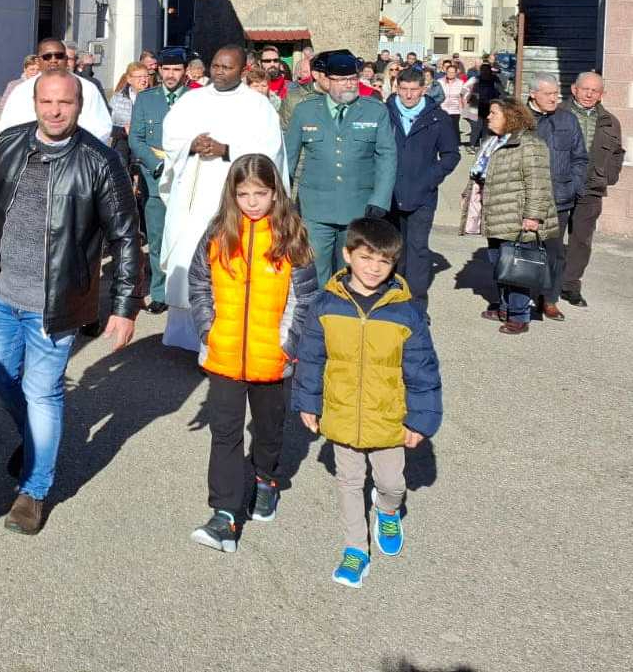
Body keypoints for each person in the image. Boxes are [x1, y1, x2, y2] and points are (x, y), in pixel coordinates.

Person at [0, 70, 143, 535]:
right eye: (47, 102)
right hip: (1, 292)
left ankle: (34, 491)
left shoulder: (101, 162)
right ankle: (37, 437)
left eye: (65, 103)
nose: (55, 111)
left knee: (43, 392)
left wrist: (124, 306)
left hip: (56, 303)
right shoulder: (10, 145)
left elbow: (125, 237)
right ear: (34, 102)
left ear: (79, 105)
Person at [292, 217, 443, 589]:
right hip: (341, 412)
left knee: (392, 483)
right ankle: (355, 550)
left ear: (394, 264)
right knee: (348, 481)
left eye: (384, 262)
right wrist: (308, 402)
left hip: (389, 418)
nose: (374, 268)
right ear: (347, 255)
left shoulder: (406, 312)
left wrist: (420, 421)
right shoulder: (326, 305)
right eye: (366, 258)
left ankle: (388, 511)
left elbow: (423, 369)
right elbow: (311, 358)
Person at [185, 155, 318, 553]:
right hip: (224, 353)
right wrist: (208, 327)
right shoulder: (219, 232)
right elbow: (199, 281)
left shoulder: (291, 237)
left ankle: (266, 480)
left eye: (260, 193)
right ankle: (224, 514)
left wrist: (286, 344)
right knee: (224, 433)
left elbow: (306, 298)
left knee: (267, 430)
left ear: (275, 192)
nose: (252, 202)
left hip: (272, 358)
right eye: (243, 194)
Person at [160, 45, 288, 351]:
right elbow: (171, 136)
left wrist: (226, 149)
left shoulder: (258, 106)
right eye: (215, 65)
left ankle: (224, 342)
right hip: (192, 197)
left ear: (243, 70)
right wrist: (192, 144)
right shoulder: (192, 99)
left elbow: (268, 150)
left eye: (226, 67)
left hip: (234, 199)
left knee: (227, 267)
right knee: (189, 257)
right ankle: (189, 339)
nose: (218, 71)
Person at [286, 51, 397, 285]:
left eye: (353, 78)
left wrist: (380, 199)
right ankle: (316, 318)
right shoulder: (305, 111)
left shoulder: (375, 110)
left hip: (358, 206)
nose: (349, 84)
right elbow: (289, 157)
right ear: (327, 81)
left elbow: (387, 156)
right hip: (315, 208)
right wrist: (283, 200)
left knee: (352, 272)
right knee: (314, 270)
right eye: (342, 79)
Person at [471, 99, 560, 334]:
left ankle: (519, 316)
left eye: (494, 113)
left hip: (518, 217)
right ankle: (505, 307)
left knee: (518, 266)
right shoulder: (493, 143)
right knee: (500, 264)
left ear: (510, 116)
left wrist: (533, 216)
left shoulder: (529, 144)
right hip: (497, 214)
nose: (488, 117)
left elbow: (538, 184)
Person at [386, 67, 461, 311]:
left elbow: (451, 155)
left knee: (417, 250)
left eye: (414, 90)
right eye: (404, 89)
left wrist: (431, 178)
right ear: (396, 88)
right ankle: (389, 297)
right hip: (389, 193)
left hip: (423, 194)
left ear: (423, 89)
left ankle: (415, 305)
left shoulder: (438, 117)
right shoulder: (384, 113)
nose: (408, 96)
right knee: (392, 248)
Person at [128, 48, 190, 313]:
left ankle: (188, 289)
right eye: (166, 69)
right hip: (155, 181)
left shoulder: (195, 99)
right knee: (157, 238)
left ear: (185, 71)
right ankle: (160, 292)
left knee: (187, 238)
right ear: (159, 70)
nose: (171, 75)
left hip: (188, 181)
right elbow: (136, 139)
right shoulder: (146, 99)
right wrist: (158, 164)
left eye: (176, 69)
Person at [560, 72, 626, 306]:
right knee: (552, 236)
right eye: (585, 89)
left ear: (602, 94)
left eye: (595, 91)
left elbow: (617, 152)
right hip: (560, 183)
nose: (589, 94)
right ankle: (545, 284)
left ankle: (570, 285)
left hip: (591, 187)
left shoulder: (610, 120)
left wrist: (609, 175)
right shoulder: (557, 114)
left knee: (581, 240)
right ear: (574, 89)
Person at [527, 73, 588, 321]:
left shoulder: (568, 120)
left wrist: (573, 186)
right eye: (549, 94)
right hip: (526, 199)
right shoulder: (519, 119)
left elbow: (580, 157)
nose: (555, 98)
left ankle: (549, 299)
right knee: (524, 250)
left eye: (556, 93)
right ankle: (519, 298)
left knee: (554, 252)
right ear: (533, 94)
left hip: (559, 198)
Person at [0, 38, 112, 143]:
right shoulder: (21, 91)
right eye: (47, 56)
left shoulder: (88, 88)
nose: (53, 60)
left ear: (66, 59)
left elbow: (101, 129)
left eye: (59, 56)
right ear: (38, 61)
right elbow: (7, 129)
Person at [468, 63, 501, 149]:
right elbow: (465, 89)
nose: (485, 72)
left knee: (487, 126)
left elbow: (501, 91)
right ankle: (472, 144)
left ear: (490, 71)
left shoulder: (495, 80)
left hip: (489, 105)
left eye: (486, 70)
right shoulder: (475, 79)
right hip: (475, 105)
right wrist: (467, 98)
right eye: (483, 70)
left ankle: (484, 144)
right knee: (475, 126)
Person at [436, 62, 468, 143]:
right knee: (442, 127)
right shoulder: (439, 82)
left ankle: (456, 144)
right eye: (449, 72)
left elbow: (463, 96)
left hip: (455, 109)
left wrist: (464, 108)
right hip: (442, 108)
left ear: (456, 73)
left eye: (452, 72)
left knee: (454, 127)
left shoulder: (460, 83)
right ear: (446, 72)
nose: (450, 74)